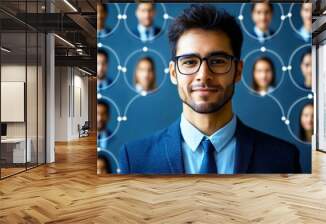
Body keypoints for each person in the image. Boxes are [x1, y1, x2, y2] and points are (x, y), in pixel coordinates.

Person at [119, 4, 301, 174]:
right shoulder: (135, 159)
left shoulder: (283, 159)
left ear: (238, 71)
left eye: (218, 61)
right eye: (190, 62)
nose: (203, 75)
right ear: (174, 73)